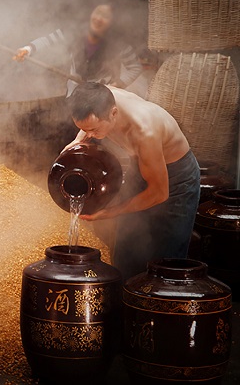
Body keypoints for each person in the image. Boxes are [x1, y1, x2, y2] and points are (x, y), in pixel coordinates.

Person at [64, 82, 200, 281]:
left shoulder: (144, 131)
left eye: (93, 129)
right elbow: (88, 118)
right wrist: (78, 140)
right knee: (125, 250)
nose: (90, 135)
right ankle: (126, 304)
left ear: (113, 113)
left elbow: (159, 193)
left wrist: (111, 211)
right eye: (84, 129)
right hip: (141, 164)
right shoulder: (99, 95)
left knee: (165, 262)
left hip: (176, 177)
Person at [13, 3, 143, 97]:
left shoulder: (118, 45)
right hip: (74, 95)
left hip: (101, 100)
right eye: (97, 12)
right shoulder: (74, 32)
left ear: (113, 22)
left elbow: (135, 67)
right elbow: (47, 40)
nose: (98, 18)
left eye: (105, 16)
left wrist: (116, 85)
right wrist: (27, 49)